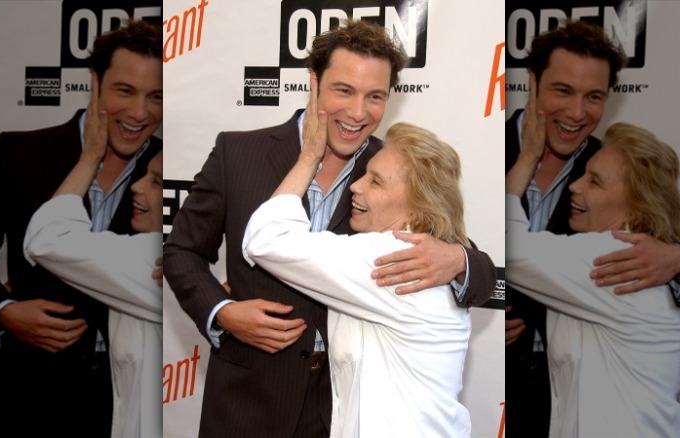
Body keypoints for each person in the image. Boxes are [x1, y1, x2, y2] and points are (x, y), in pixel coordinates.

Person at [164, 19, 497, 437]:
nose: (358, 113)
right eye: (344, 90)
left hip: (341, 406)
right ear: (314, 81)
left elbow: (478, 270)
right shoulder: (239, 152)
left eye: (374, 96)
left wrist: (459, 259)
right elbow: (182, 251)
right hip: (249, 396)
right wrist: (223, 312)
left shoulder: (390, 167)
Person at [0, 20, 162, 437]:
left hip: (122, 396)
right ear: (95, 82)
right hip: (28, 389)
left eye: (156, 97)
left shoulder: (167, 165)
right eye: (125, 91)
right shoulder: (22, 151)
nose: (139, 113)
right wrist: (4, 312)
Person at [504, 20, 680, 436]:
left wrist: (677, 259)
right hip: (491, 375)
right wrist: (479, 309)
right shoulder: (479, 144)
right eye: (563, 91)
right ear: (533, 83)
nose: (577, 112)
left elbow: (676, 251)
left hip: (566, 386)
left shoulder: (610, 165)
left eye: (594, 97)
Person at [243, 94, 483, 436]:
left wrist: (309, 157)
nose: (355, 186)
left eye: (376, 181)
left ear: (417, 210)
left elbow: (265, 239)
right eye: (364, 175)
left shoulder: (390, 257)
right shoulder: (422, 255)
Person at [506, 121, 680, 437]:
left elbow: (508, 246)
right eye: (583, 174)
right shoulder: (643, 257)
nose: (575, 186)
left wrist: (525, 162)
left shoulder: (613, 255)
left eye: (595, 182)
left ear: (636, 207)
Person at [23, 77, 162, 438]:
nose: (137, 186)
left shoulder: (152, 261)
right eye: (125, 90)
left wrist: (89, 158)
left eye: (158, 182)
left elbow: (47, 238)